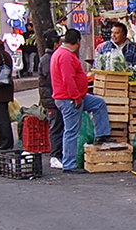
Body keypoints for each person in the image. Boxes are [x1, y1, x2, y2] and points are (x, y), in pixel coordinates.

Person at [51, 29, 115, 174]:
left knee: (98, 104)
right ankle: (69, 164)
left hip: (74, 96)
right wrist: (76, 97)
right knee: (71, 131)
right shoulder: (65, 56)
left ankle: (101, 135)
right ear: (78, 41)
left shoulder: (62, 53)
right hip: (69, 99)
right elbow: (68, 79)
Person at [38, 29, 64, 169]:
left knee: (59, 126)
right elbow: (52, 79)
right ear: (55, 44)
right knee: (56, 127)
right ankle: (55, 156)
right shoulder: (48, 60)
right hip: (52, 99)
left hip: (53, 98)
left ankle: (58, 154)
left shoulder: (49, 58)